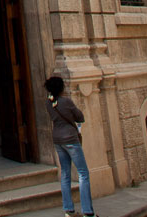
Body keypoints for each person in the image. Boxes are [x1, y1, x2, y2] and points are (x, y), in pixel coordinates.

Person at [44, 76, 94, 217]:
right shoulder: (66, 102)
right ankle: (88, 211)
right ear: (61, 88)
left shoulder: (49, 103)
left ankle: (69, 210)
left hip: (58, 140)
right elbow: (80, 117)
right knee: (83, 173)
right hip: (71, 139)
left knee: (65, 174)